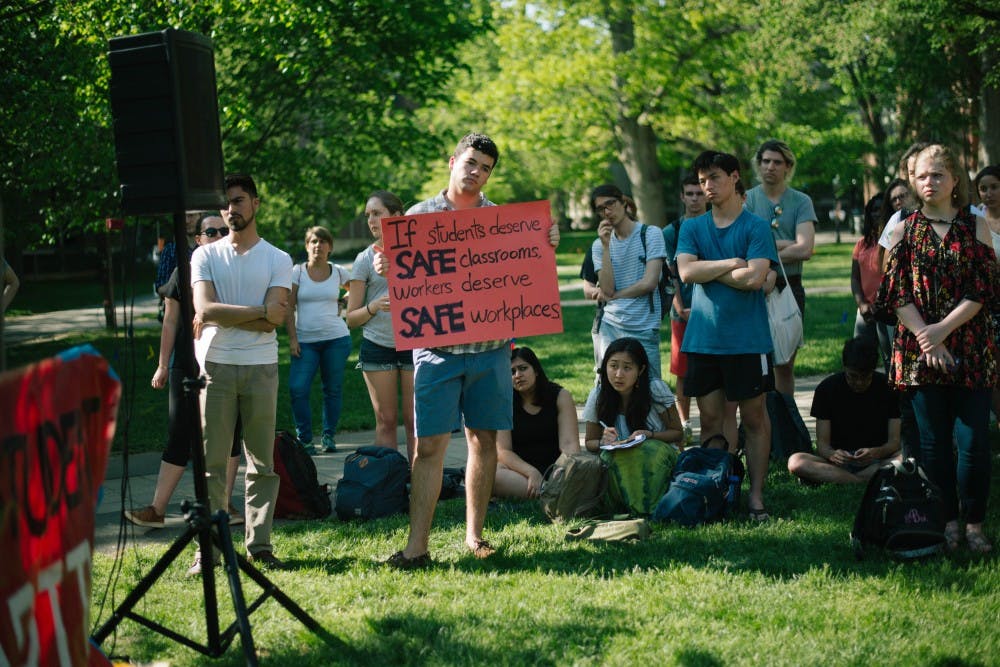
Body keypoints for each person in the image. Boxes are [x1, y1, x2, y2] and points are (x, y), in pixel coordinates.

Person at [382, 132, 559, 568]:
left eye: (486, 167)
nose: (477, 171)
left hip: (490, 352)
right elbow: (407, 282)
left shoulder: (503, 221)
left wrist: (544, 241)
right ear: (453, 160)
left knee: (483, 443)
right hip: (437, 353)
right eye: (472, 161)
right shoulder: (419, 217)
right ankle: (416, 548)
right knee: (429, 448)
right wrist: (389, 265)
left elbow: (525, 272)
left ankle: (474, 537)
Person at [877, 144, 997, 553]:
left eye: (938, 175)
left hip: (970, 347)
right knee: (932, 445)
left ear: (955, 180)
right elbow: (894, 293)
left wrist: (941, 330)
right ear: (913, 180)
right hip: (919, 352)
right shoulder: (901, 229)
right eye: (923, 175)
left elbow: (983, 288)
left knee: (975, 441)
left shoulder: (975, 225)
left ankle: (975, 524)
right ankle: (945, 521)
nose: (930, 182)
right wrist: (927, 337)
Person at [190, 173, 293, 572]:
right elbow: (206, 309)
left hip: (261, 367)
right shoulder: (205, 256)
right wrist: (258, 311)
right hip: (215, 365)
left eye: (238, 201)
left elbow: (274, 323)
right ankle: (209, 549)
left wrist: (229, 314)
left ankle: (260, 544)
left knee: (261, 463)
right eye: (225, 204)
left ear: (255, 203)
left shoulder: (277, 258)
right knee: (213, 462)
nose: (231, 210)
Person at [676, 150, 778, 521]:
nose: (707, 187)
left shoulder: (755, 226)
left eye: (714, 178)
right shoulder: (692, 227)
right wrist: (730, 264)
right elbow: (686, 273)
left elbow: (755, 279)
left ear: (735, 178)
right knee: (710, 420)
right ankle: (715, 491)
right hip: (703, 339)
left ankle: (757, 496)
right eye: (702, 181)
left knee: (754, 419)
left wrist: (708, 269)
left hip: (748, 341)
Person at [125, 214, 244, 528]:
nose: (218, 234)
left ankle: (226, 506)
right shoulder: (184, 270)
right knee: (180, 430)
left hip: (228, 359)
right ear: (198, 239)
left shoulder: (239, 269)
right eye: (210, 231)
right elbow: (170, 321)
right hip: (186, 362)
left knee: (230, 431)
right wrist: (163, 364)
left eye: (223, 229)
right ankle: (157, 509)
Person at [346, 191, 415, 463]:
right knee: (386, 421)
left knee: (414, 420)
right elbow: (351, 318)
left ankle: (419, 479)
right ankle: (390, 482)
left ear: (397, 216)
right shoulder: (364, 260)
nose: (371, 220)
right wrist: (373, 307)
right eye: (368, 215)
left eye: (377, 213)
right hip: (378, 348)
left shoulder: (418, 251)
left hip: (414, 345)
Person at [744, 140, 816, 395]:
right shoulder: (747, 199)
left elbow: (806, 249)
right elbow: (744, 249)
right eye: (765, 161)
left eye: (777, 162)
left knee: (785, 363)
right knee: (757, 362)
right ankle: (760, 423)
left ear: (788, 166)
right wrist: (787, 245)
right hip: (756, 288)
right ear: (758, 164)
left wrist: (766, 250)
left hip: (790, 287)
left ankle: (786, 420)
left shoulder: (801, 201)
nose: (770, 167)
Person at [788, 337, 901, 485]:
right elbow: (822, 445)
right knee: (796, 461)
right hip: (839, 461)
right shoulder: (826, 389)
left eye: (865, 377)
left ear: (873, 370)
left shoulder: (888, 389)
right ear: (844, 367)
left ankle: (842, 479)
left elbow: (894, 442)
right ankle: (864, 480)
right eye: (853, 376)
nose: (859, 383)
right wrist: (833, 454)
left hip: (877, 459)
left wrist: (876, 452)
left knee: (906, 456)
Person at [286, 225, 351, 454]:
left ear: (330, 247)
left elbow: (359, 289)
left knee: (332, 389)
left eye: (323, 242)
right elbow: (288, 307)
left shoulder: (339, 271)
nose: (318, 246)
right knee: (298, 388)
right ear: (307, 246)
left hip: (336, 339)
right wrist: (293, 339)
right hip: (305, 342)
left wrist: (345, 301)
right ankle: (304, 439)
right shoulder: (297, 272)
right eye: (313, 241)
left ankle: (328, 436)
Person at [590, 184, 666, 379]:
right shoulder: (599, 245)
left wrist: (615, 295)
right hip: (611, 326)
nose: (607, 211)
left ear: (623, 203)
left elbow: (649, 283)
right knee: (608, 388)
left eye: (611, 204)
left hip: (643, 325)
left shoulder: (650, 234)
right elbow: (606, 288)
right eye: (601, 209)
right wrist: (607, 247)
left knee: (652, 387)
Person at [493, 347, 580, 499]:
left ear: (536, 370)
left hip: (557, 467)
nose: (518, 375)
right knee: (491, 474)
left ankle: (548, 490)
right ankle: (549, 493)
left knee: (583, 466)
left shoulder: (560, 396)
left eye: (523, 368)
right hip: (521, 472)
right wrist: (532, 472)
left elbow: (570, 445)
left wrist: (555, 474)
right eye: (512, 372)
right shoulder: (503, 402)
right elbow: (503, 451)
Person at [662, 173, 707, 441]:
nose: (694, 198)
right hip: (683, 311)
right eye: (689, 194)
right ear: (682, 196)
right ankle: (684, 422)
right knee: (683, 369)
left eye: (699, 193)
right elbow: (671, 274)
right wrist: (680, 307)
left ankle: (711, 420)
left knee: (709, 366)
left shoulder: (715, 223)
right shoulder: (672, 232)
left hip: (711, 309)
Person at [583, 337, 683, 450]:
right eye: (613, 366)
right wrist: (604, 442)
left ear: (640, 370)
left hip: (659, 456)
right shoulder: (598, 395)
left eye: (627, 368)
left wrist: (650, 435)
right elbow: (589, 442)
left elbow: (678, 433)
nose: (619, 374)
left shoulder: (655, 389)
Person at [851, 192, 891, 366]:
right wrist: (862, 304)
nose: (877, 214)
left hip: (889, 311)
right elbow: (854, 278)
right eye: (873, 210)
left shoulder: (893, 241)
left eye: (881, 209)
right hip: (865, 311)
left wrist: (881, 305)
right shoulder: (862, 244)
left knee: (891, 360)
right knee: (859, 358)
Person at [973, 165, 1000, 423]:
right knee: (992, 367)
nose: (989, 193)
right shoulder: (975, 220)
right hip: (986, 305)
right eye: (983, 188)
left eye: (994, 187)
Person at [155, 211, 201, 321]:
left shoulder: (209, 248)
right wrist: (175, 283)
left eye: (191, 216)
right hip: (178, 318)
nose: (186, 221)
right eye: (183, 216)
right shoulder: (170, 250)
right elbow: (160, 288)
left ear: (200, 215)